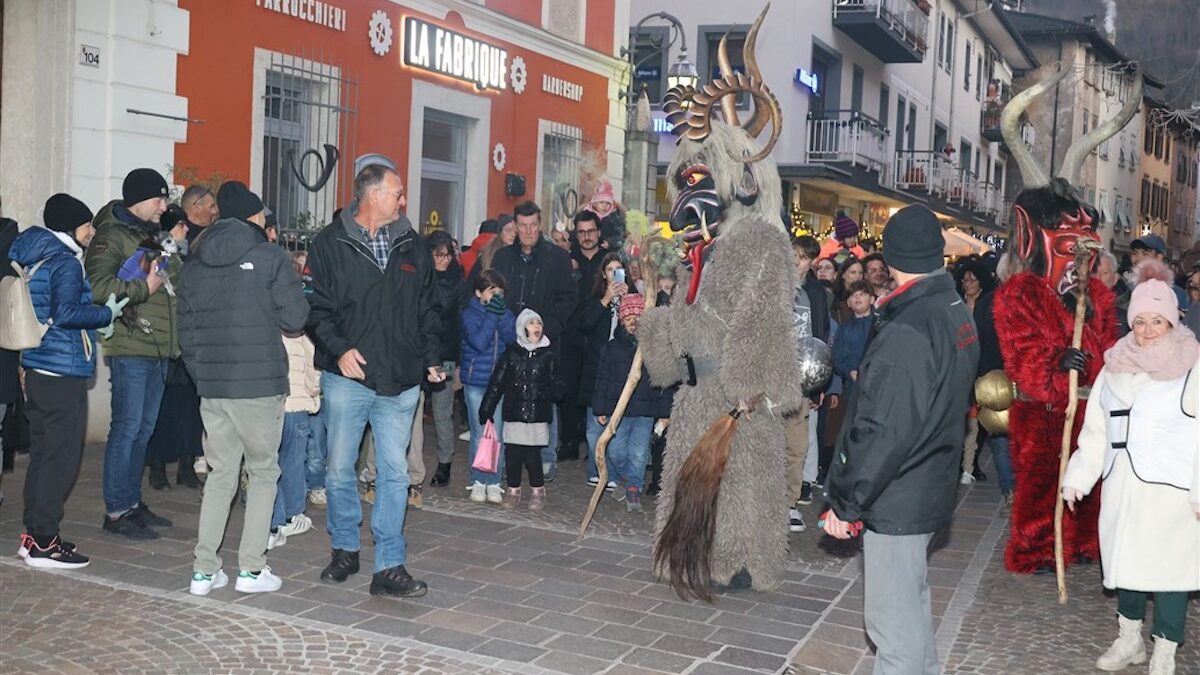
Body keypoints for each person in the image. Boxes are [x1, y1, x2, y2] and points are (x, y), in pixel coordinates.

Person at [824, 205, 979, 675]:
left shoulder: (910, 326)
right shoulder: (951, 308)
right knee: (910, 615)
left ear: (890, 259)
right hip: (927, 481)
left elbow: (883, 429)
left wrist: (847, 503)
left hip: (899, 493)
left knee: (891, 628)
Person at [306, 164, 440, 597]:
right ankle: (345, 548)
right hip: (349, 377)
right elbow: (315, 309)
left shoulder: (411, 246)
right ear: (372, 195)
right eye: (397, 193)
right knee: (340, 467)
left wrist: (434, 357)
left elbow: (429, 308)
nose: (403, 201)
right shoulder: (329, 244)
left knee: (395, 471)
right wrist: (340, 349)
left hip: (400, 378)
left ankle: (390, 565)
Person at [1061, 267, 1199, 675]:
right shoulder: (1114, 365)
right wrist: (1078, 477)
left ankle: (1166, 648)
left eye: (1157, 321)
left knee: (1171, 572)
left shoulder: (1192, 366)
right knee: (1125, 566)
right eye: (1140, 321)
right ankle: (1129, 638)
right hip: (1122, 481)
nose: (1148, 329)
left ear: (1172, 321)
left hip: (1173, 490)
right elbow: (1096, 430)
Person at [177, 181, 308, 595]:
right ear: (254, 217)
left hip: (213, 386)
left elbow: (186, 334)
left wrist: (205, 377)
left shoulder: (194, 261)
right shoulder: (270, 257)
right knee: (264, 472)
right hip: (258, 385)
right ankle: (251, 570)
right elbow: (296, 319)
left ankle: (203, 571)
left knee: (220, 475)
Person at [11, 194, 124, 568]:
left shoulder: (36, 256)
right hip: (61, 371)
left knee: (44, 456)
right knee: (60, 458)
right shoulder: (64, 263)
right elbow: (65, 313)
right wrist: (103, 314)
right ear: (69, 227)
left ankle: (34, 536)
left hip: (41, 367)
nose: (91, 231)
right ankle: (44, 542)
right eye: (87, 224)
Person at [85, 167, 180, 540]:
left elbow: (168, 284)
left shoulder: (149, 235)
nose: (163, 206)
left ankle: (131, 502)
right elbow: (97, 287)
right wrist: (145, 286)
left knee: (143, 429)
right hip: (130, 344)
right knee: (126, 428)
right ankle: (116, 511)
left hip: (157, 345)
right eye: (158, 199)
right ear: (139, 200)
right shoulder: (111, 235)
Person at [487, 201, 576, 480]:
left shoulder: (558, 259)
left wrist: (546, 331)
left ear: (540, 225)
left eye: (533, 225)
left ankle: (546, 457)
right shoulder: (502, 258)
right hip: (508, 341)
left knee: (544, 398)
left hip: (545, 340)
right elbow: (494, 294)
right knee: (506, 397)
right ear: (515, 227)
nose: (527, 231)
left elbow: (568, 299)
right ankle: (505, 461)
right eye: (522, 226)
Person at [590, 294, 673, 513]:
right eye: (629, 317)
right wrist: (600, 408)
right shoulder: (611, 348)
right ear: (621, 319)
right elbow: (602, 380)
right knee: (616, 450)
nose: (633, 321)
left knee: (638, 452)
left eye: (638, 316)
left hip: (645, 409)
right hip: (618, 410)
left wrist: (665, 412)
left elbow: (665, 379)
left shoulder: (652, 349)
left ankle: (634, 486)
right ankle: (626, 477)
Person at [479, 309, 563, 510]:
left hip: (537, 416)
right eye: (531, 323)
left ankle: (537, 489)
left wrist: (548, 391)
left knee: (533, 456)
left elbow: (559, 384)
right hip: (514, 413)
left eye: (539, 323)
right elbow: (496, 384)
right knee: (513, 455)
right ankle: (513, 489)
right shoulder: (510, 355)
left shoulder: (548, 356)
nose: (536, 327)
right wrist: (487, 407)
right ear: (521, 327)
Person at [460, 269, 517, 503]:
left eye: (500, 292)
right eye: (492, 291)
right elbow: (479, 342)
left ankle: (494, 481)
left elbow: (513, 337)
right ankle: (477, 480)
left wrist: (500, 314)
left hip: (499, 383)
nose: (497, 296)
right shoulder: (468, 314)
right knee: (478, 434)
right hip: (475, 382)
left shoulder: (503, 312)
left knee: (498, 434)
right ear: (478, 292)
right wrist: (493, 314)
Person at [575, 253, 628, 489]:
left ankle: (614, 474)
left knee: (615, 425)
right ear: (604, 275)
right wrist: (606, 299)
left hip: (620, 369)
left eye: (619, 269)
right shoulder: (596, 298)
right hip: (596, 368)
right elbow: (584, 325)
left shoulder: (631, 296)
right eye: (610, 270)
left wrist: (628, 299)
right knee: (593, 426)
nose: (614, 274)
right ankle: (596, 470)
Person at [559, 210, 607, 463]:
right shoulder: (567, 259)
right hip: (571, 333)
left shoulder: (607, 260)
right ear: (575, 234)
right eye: (581, 232)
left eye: (590, 231)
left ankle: (594, 446)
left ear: (599, 232)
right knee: (568, 389)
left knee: (596, 391)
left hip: (599, 334)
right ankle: (568, 442)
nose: (587, 236)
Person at [267, 326, 320, 551]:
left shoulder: (262, 315)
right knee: (294, 460)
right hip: (296, 401)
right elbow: (313, 360)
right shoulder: (299, 322)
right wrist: (314, 391)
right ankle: (291, 516)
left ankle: (273, 522)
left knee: (269, 464)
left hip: (268, 402)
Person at [423, 230, 465, 490]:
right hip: (420, 352)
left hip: (446, 353)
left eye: (447, 255)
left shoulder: (458, 282)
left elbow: (460, 324)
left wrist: (459, 361)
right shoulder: (419, 277)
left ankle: (445, 463)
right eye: (439, 255)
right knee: (414, 409)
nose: (444, 260)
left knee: (442, 410)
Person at [973, 254, 1016, 504]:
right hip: (997, 377)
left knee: (1004, 437)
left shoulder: (985, 301)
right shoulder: (989, 303)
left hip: (1000, 376)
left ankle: (1012, 489)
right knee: (1000, 436)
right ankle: (1011, 489)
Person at [831, 281, 875, 399]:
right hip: (853, 388)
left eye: (862, 294)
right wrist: (849, 372)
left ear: (872, 300)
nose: (857, 297)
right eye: (853, 295)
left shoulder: (881, 326)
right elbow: (836, 360)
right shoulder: (843, 329)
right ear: (848, 303)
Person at [831, 257, 865, 324]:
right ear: (843, 274)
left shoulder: (866, 296)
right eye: (853, 272)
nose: (858, 276)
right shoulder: (833, 297)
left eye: (860, 273)